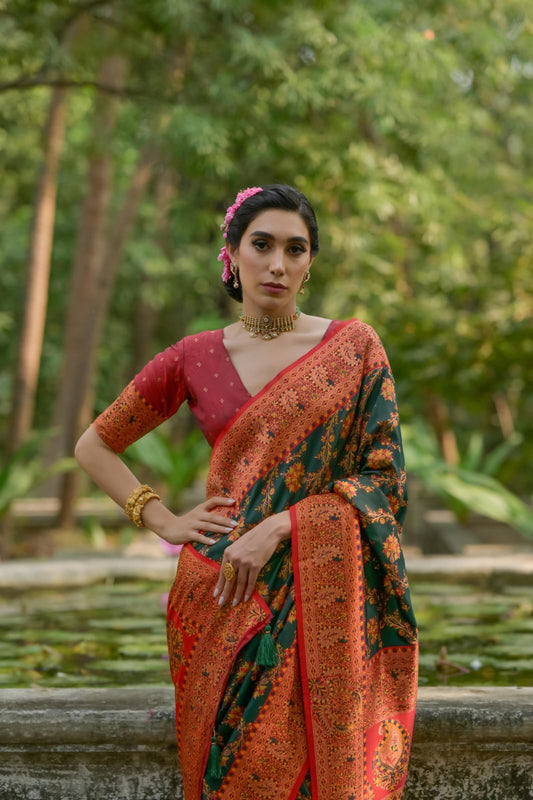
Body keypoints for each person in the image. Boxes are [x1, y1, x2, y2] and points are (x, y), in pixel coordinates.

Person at [75, 184, 418, 800]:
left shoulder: (355, 348)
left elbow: (385, 480)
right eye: (262, 245)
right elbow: (93, 445)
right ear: (232, 253)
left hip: (323, 590)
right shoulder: (194, 357)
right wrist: (161, 519)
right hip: (223, 597)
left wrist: (281, 527)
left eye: (296, 248)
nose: (278, 264)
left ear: (311, 262)